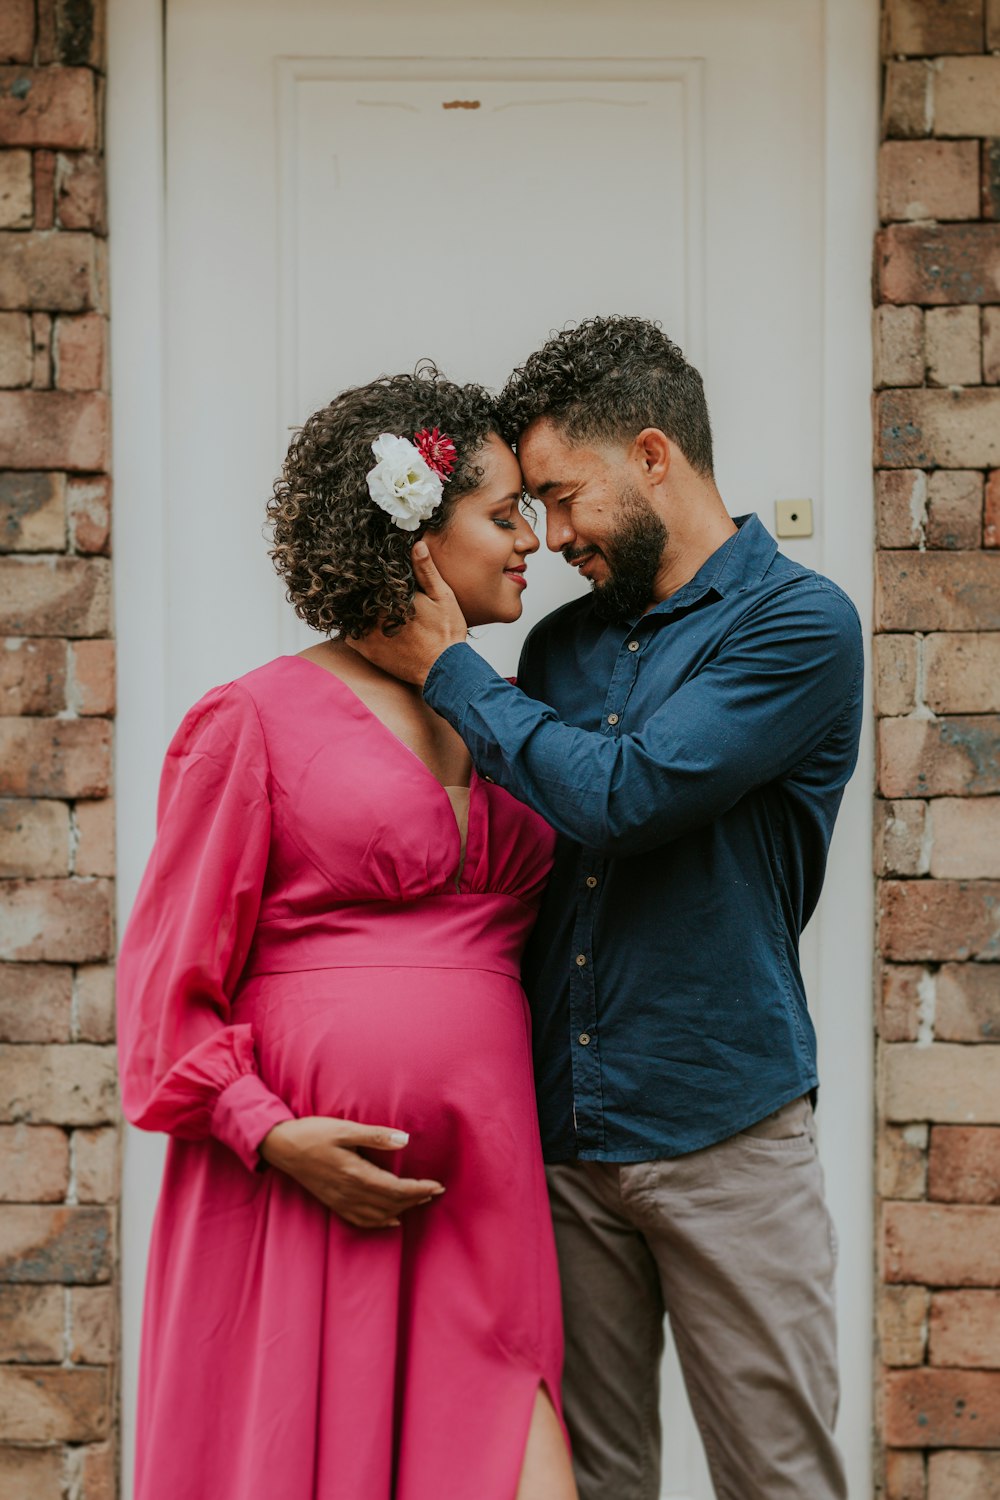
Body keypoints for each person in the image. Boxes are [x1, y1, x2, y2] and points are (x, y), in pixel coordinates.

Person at [349, 317, 864, 1500]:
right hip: (564, 1143)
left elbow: (624, 797)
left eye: (561, 496)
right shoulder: (565, 646)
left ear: (649, 455)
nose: (550, 533)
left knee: (778, 1478)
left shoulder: (798, 625)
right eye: (526, 507)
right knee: (589, 1481)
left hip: (724, 1129)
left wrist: (451, 671)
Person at [116, 367, 578, 1500]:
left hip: (484, 1178)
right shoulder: (254, 719)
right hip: (296, 1189)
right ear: (415, 532)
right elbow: (163, 990)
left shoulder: (514, 713)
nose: (532, 540)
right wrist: (270, 1134)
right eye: (503, 512)